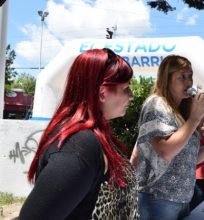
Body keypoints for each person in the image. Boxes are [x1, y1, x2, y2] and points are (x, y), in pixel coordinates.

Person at [19, 48, 138, 219]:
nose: (131, 96)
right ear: (103, 93)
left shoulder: (95, 137)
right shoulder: (79, 145)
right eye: (126, 88)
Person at [135, 55, 204, 220]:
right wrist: (194, 120)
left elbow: (189, 159)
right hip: (158, 199)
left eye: (190, 77)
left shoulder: (182, 110)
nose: (189, 83)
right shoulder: (156, 104)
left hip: (182, 200)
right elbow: (165, 151)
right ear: (167, 79)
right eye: (182, 77)